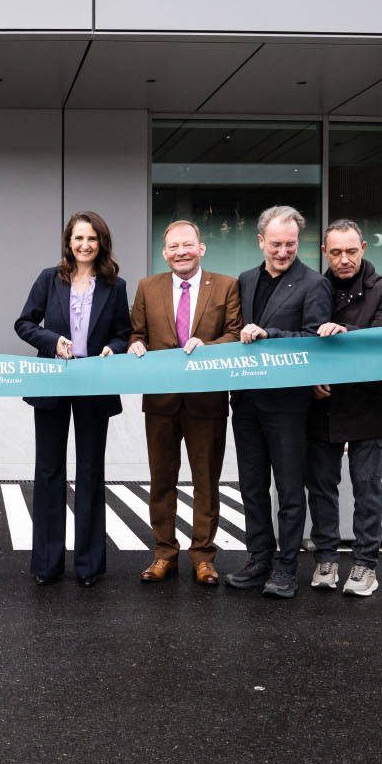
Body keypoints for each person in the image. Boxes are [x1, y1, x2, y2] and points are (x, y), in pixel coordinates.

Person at [15, 212, 132, 587]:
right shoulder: (49, 278)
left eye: (92, 238)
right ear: (68, 242)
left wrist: (114, 348)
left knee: (90, 470)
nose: (85, 245)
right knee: (49, 471)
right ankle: (47, 563)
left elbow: (123, 332)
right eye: (79, 238)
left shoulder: (115, 285)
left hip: (94, 383)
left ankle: (89, 565)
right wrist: (53, 341)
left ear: (101, 243)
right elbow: (24, 323)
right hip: (53, 380)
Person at [127, 220, 242, 585]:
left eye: (188, 245)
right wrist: (136, 344)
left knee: (206, 481)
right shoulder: (147, 287)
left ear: (201, 248)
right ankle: (164, 553)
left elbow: (235, 333)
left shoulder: (226, 286)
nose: (181, 252)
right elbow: (136, 333)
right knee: (162, 480)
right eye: (174, 247)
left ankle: (203, 556)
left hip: (206, 401)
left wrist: (210, 347)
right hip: (160, 400)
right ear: (164, 253)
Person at [227, 206, 330, 599]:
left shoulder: (313, 283)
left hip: (287, 404)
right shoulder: (245, 279)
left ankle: (286, 568)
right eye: (275, 244)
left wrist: (270, 334)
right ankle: (258, 559)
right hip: (246, 402)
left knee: (288, 490)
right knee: (252, 486)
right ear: (261, 241)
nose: (283, 252)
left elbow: (313, 340)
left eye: (290, 244)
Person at [306, 219, 382, 597]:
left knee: (367, 489)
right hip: (321, 405)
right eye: (335, 252)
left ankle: (365, 564)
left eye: (350, 251)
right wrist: (310, 379)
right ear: (324, 253)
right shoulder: (313, 288)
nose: (343, 259)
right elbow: (303, 343)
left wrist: (346, 335)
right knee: (322, 488)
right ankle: (326, 558)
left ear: (363, 248)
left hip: (369, 407)